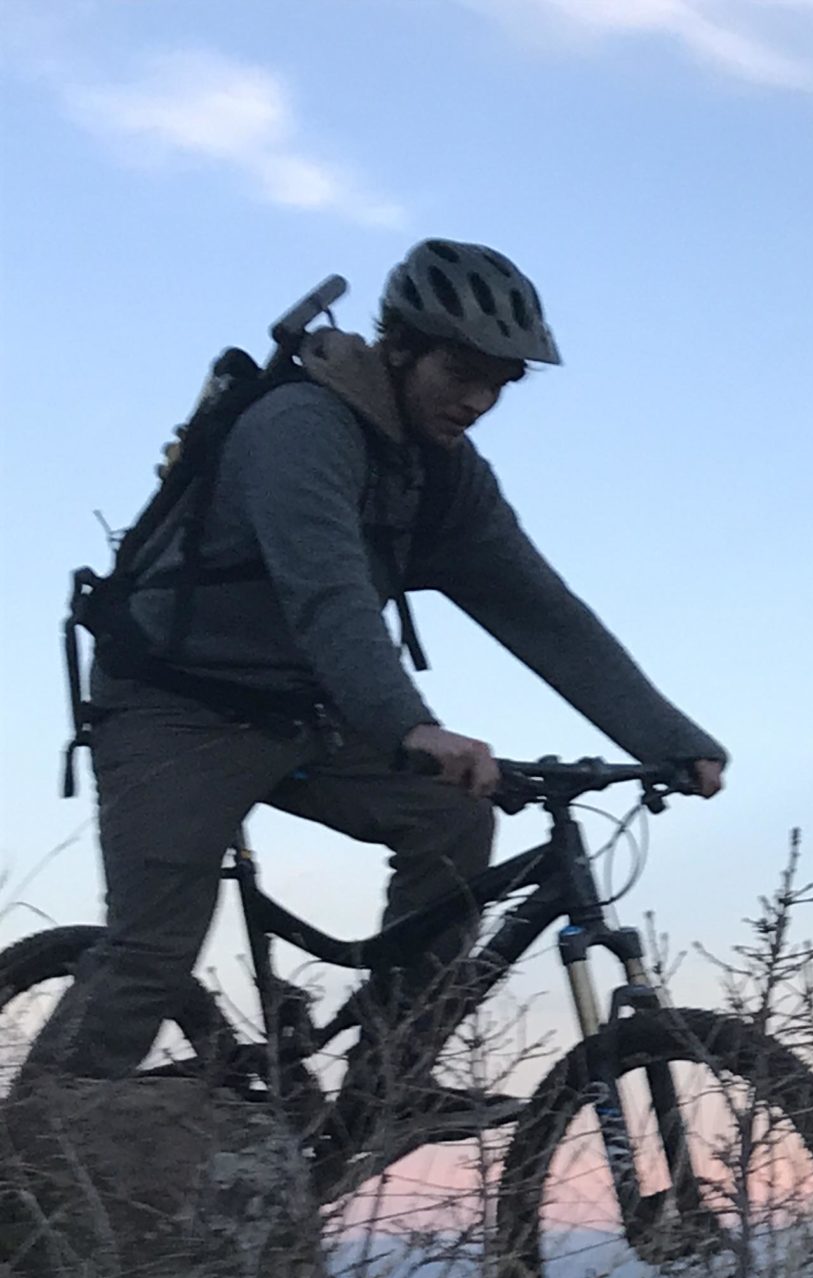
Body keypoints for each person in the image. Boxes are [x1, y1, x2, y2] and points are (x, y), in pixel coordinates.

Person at [22, 239, 728, 1124]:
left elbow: (544, 613)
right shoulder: (299, 427)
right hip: (174, 709)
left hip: (304, 714)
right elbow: (328, 595)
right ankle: (28, 1177)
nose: (479, 399)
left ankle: (387, 1083)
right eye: (462, 371)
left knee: (452, 820)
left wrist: (671, 741)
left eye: (501, 381)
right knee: (154, 949)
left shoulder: (440, 473)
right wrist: (409, 727)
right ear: (400, 347)